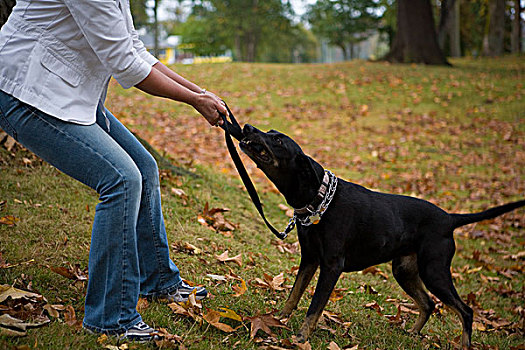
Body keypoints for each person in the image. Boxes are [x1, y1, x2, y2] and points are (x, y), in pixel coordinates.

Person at [0, 0, 228, 342]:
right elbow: (126, 66)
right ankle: (111, 317)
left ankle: (159, 282)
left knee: (145, 168)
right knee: (121, 179)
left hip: (68, 93)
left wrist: (200, 92)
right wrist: (194, 101)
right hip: (27, 91)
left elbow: (133, 48)